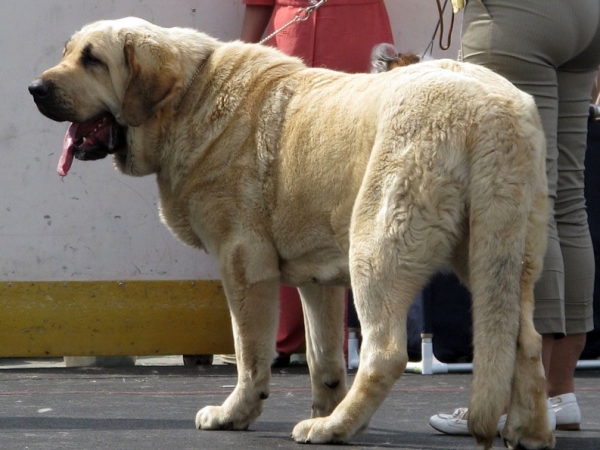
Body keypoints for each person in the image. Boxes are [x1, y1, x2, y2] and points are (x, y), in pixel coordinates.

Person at [429, 0, 600, 435]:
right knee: (564, 201)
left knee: (522, 206)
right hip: (584, 16)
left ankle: (514, 399)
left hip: (514, 18)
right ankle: (559, 393)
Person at [240, 0, 394, 366]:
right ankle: (286, 334)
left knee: (358, 190)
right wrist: (242, 57)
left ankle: (365, 336)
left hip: (356, 37)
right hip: (291, 40)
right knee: (283, 191)